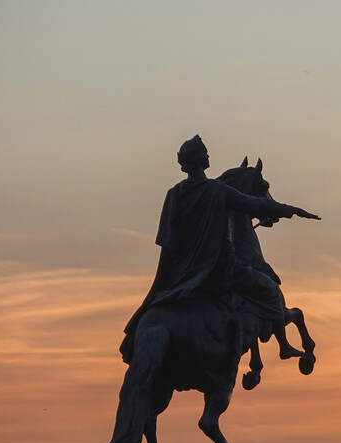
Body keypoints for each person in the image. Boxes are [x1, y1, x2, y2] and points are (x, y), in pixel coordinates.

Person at [119, 135, 319, 363]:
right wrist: (291, 209)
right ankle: (283, 346)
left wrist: (161, 284)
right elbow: (255, 203)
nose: (208, 156)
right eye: (205, 153)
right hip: (220, 271)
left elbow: (167, 243)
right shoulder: (216, 190)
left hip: (182, 276)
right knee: (272, 291)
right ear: (200, 160)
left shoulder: (173, 194)